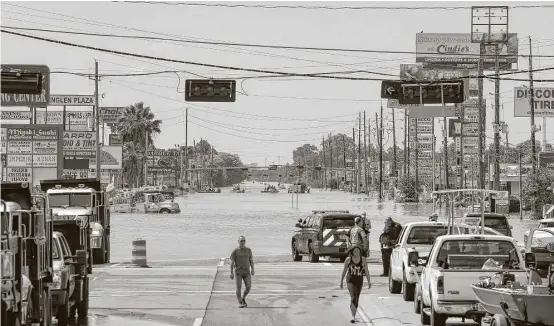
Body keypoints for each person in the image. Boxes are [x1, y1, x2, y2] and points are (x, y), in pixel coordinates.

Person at [340, 247, 371, 323]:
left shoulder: (363, 259)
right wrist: (341, 281)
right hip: (350, 280)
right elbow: (344, 271)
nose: (356, 252)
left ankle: (354, 314)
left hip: (359, 281)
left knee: (356, 299)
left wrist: (369, 282)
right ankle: (353, 317)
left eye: (358, 251)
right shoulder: (348, 259)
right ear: (352, 252)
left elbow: (366, 271)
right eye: (355, 251)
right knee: (353, 297)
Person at [230, 236, 255, 308]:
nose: (242, 242)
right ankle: (240, 302)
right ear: (238, 242)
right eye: (241, 241)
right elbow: (232, 262)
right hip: (238, 272)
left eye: (244, 241)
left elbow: (251, 260)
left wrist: (253, 269)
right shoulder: (235, 251)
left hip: (247, 272)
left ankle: (243, 298)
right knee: (239, 287)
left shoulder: (248, 250)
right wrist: (231, 273)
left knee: (249, 287)